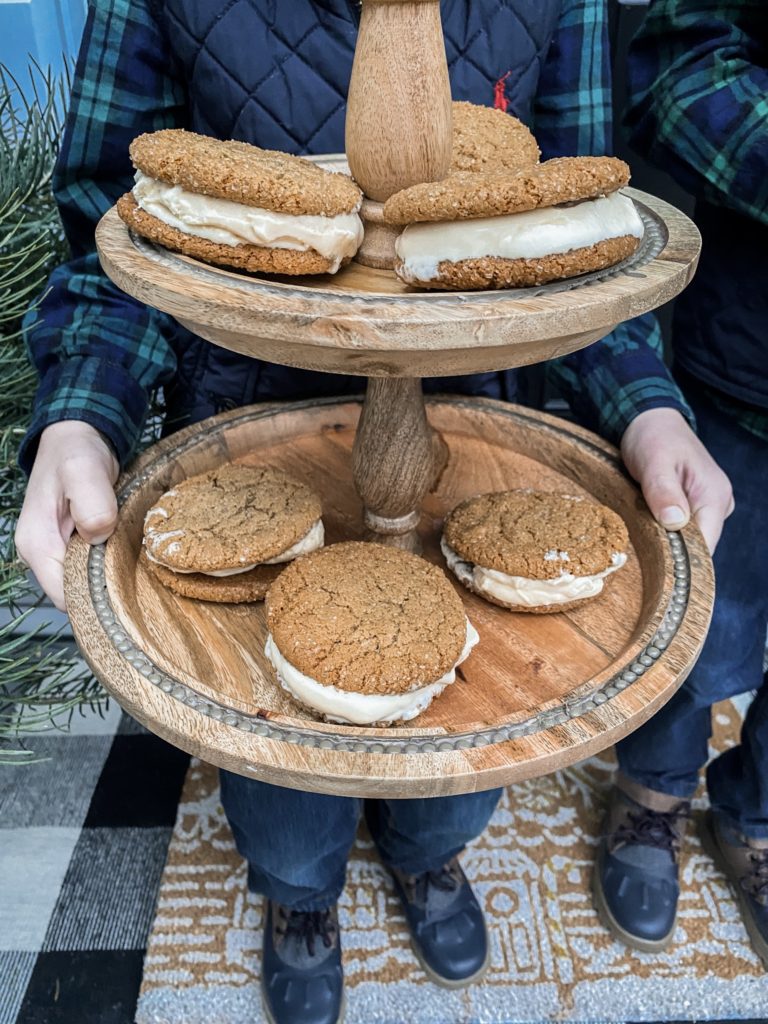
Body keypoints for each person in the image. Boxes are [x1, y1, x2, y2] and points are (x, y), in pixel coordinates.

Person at [15, 2, 732, 1022]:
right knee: (280, 747)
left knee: (464, 713)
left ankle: (428, 854)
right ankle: (300, 896)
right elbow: (120, 226)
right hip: (254, 430)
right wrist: (81, 416)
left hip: (475, 441)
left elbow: (574, 235)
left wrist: (647, 409)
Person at [593, 0, 768, 969]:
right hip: (753, 360)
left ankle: (755, 813)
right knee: (707, 604)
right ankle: (653, 794)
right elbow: (677, 68)